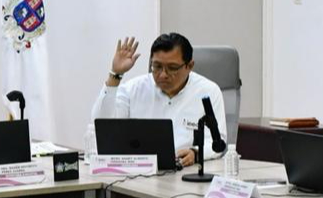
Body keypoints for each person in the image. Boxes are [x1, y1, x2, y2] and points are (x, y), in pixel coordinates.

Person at [90, 33, 227, 166]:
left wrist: (196, 153)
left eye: (172, 68)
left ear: (189, 66)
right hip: (138, 171)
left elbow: (218, 142)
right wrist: (115, 75)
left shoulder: (208, 91)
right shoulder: (133, 89)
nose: (163, 75)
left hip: (185, 171)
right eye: (157, 66)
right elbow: (101, 125)